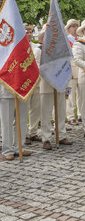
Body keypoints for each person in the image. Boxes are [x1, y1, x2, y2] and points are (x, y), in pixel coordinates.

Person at [0, 25, 35, 160]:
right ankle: (7, 149)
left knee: (21, 119)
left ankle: (19, 147)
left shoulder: (23, 47)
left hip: (22, 87)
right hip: (6, 89)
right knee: (7, 121)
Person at [38, 24, 72, 149]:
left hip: (60, 85)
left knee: (61, 112)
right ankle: (46, 138)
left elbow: (67, 68)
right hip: (46, 85)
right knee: (46, 114)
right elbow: (38, 69)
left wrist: (67, 85)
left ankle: (61, 135)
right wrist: (51, 75)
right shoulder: (39, 51)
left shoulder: (61, 52)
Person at [25, 24, 42, 145]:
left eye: (30, 32)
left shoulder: (36, 47)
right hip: (24, 83)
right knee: (23, 110)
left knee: (36, 108)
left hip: (36, 81)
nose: (29, 34)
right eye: (27, 32)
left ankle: (33, 132)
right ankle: (24, 134)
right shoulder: (18, 48)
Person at [65, 19, 82, 126]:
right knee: (70, 96)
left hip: (81, 70)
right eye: (72, 26)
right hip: (71, 71)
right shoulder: (66, 40)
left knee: (82, 95)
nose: (75, 28)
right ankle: (70, 117)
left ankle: (81, 115)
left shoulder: (80, 40)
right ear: (68, 28)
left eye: (76, 26)